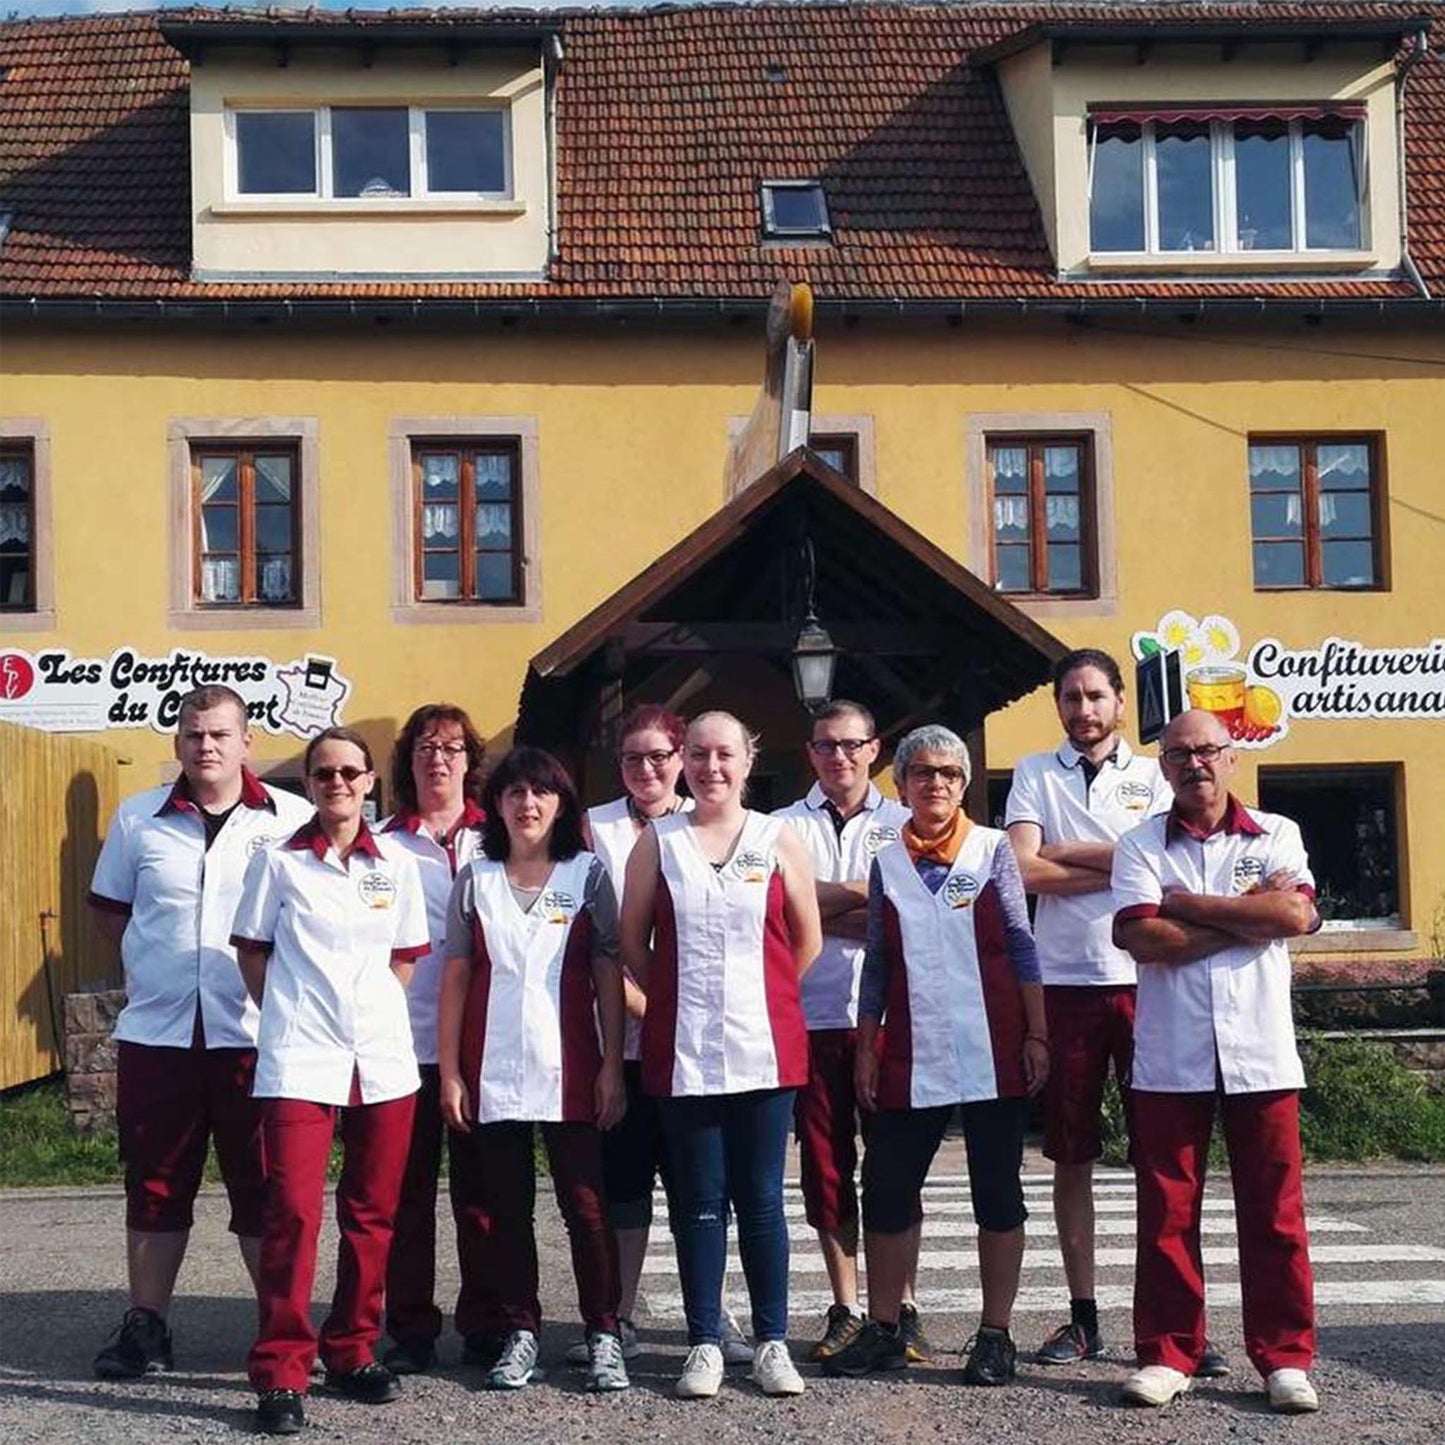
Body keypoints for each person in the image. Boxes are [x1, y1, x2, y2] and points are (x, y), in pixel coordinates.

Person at [1005, 650, 1231, 1371]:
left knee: (1163, 1158)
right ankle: (1081, 1317)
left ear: (1121, 702)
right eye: (1070, 697)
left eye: (1095, 695)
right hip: (1065, 981)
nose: (1083, 709)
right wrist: (1123, 859)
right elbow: (1019, 869)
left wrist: (1074, 853)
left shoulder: (1156, 772)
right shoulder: (1034, 772)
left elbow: (1169, 874)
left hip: (1147, 980)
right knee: (1070, 1156)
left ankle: (1176, 1325)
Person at [87, 684, 313, 1380]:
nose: (205, 745)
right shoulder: (137, 820)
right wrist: (162, 971)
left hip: (255, 1034)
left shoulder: (291, 819)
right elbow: (113, 914)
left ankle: (274, 1331)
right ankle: (146, 1324)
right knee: (154, 1183)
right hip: (159, 1035)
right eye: (192, 734)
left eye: (219, 734)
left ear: (248, 742)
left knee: (263, 1185)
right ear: (177, 742)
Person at [825, 724, 1047, 1386]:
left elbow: (1020, 940)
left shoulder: (991, 849)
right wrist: (867, 1045)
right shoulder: (886, 861)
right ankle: (888, 1327)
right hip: (912, 1049)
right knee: (887, 1187)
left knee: (997, 1192)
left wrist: (1037, 1033)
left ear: (965, 782)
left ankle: (994, 1332)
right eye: (922, 772)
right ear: (899, 783)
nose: (936, 783)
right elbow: (878, 961)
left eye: (950, 773)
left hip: (992, 1045)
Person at [1113, 709, 1321, 1413]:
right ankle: (1168, 1351)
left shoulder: (1277, 833)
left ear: (1230, 757)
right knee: (1166, 1210)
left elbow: (1295, 918)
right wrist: (1247, 916)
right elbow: (1143, 940)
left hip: (1261, 1053)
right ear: (1162, 764)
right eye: (1177, 753)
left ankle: (1284, 1357)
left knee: (1274, 1213)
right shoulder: (1137, 843)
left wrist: (1192, 906)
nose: (1192, 763)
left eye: (1206, 750)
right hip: (1169, 1056)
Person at [232, 727, 430, 1436]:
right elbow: (252, 957)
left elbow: (403, 960)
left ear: (371, 780)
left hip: (381, 1058)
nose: (337, 783)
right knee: (291, 1212)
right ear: (307, 783)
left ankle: (351, 1347)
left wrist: (365, 1011)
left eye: (350, 771)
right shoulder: (278, 863)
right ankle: (283, 1368)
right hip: (298, 1057)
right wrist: (294, 1011)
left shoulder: (397, 864)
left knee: (373, 1212)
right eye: (323, 773)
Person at [621, 710, 822, 1400]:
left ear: (748, 757)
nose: (711, 767)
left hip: (765, 1049)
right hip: (683, 1053)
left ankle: (770, 1341)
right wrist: (676, 1001)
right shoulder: (659, 841)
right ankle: (704, 1340)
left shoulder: (777, 837)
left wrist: (759, 994)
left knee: (762, 1199)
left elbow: (806, 940)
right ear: (682, 759)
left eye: (724, 754)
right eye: (698, 754)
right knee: (699, 1203)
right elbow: (632, 940)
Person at [437, 746, 629, 1393]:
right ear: (495, 804)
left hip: (571, 1067)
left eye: (540, 793)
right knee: (506, 1209)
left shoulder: (587, 874)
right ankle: (521, 1330)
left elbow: (607, 971)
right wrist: (450, 1073)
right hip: (490, 1068)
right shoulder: (477, 877)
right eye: (513, 793)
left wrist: (611, 1066)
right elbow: (456, 977)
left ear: (561, 803)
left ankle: (603, 1331)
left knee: (586, 1206)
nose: (527, 804)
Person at [566, 705, 753, 1368]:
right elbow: (599, 940)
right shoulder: (597, 827)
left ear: (680, 757)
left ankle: (714, 1309)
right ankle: (619, 1312)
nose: (645, 769)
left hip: (698, 1044)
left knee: (703, 1186)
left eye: (658, 756)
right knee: (623, 1185)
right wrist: (652, 1005)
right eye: (630, 758)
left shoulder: (708, 820)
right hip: (624, 1034)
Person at [772, 700, 925, 1363]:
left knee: (896, 1167)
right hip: (810, 1015)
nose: (838, 755)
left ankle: (904, 1306)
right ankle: (845, 1304)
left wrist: (821, 900)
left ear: (875, 749)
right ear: (809, 752)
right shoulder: (777, 826)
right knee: (825, 1168)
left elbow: (912, 911)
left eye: (850, 744)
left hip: (892, 1019)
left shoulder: (909, 821)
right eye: (825, 745)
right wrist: (867, 898)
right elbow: (780, 910)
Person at [377, 704, 488, 1375]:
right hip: (399, 1040)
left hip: (482, 1044)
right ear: (406, 760)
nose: (437, 758)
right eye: (424, 746)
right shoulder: (381, 842)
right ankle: (411, 1327)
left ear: (471, 760)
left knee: (482, 1194)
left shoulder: (501, 836)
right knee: (405, 1195)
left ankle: (484, 1322)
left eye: (451, 746)